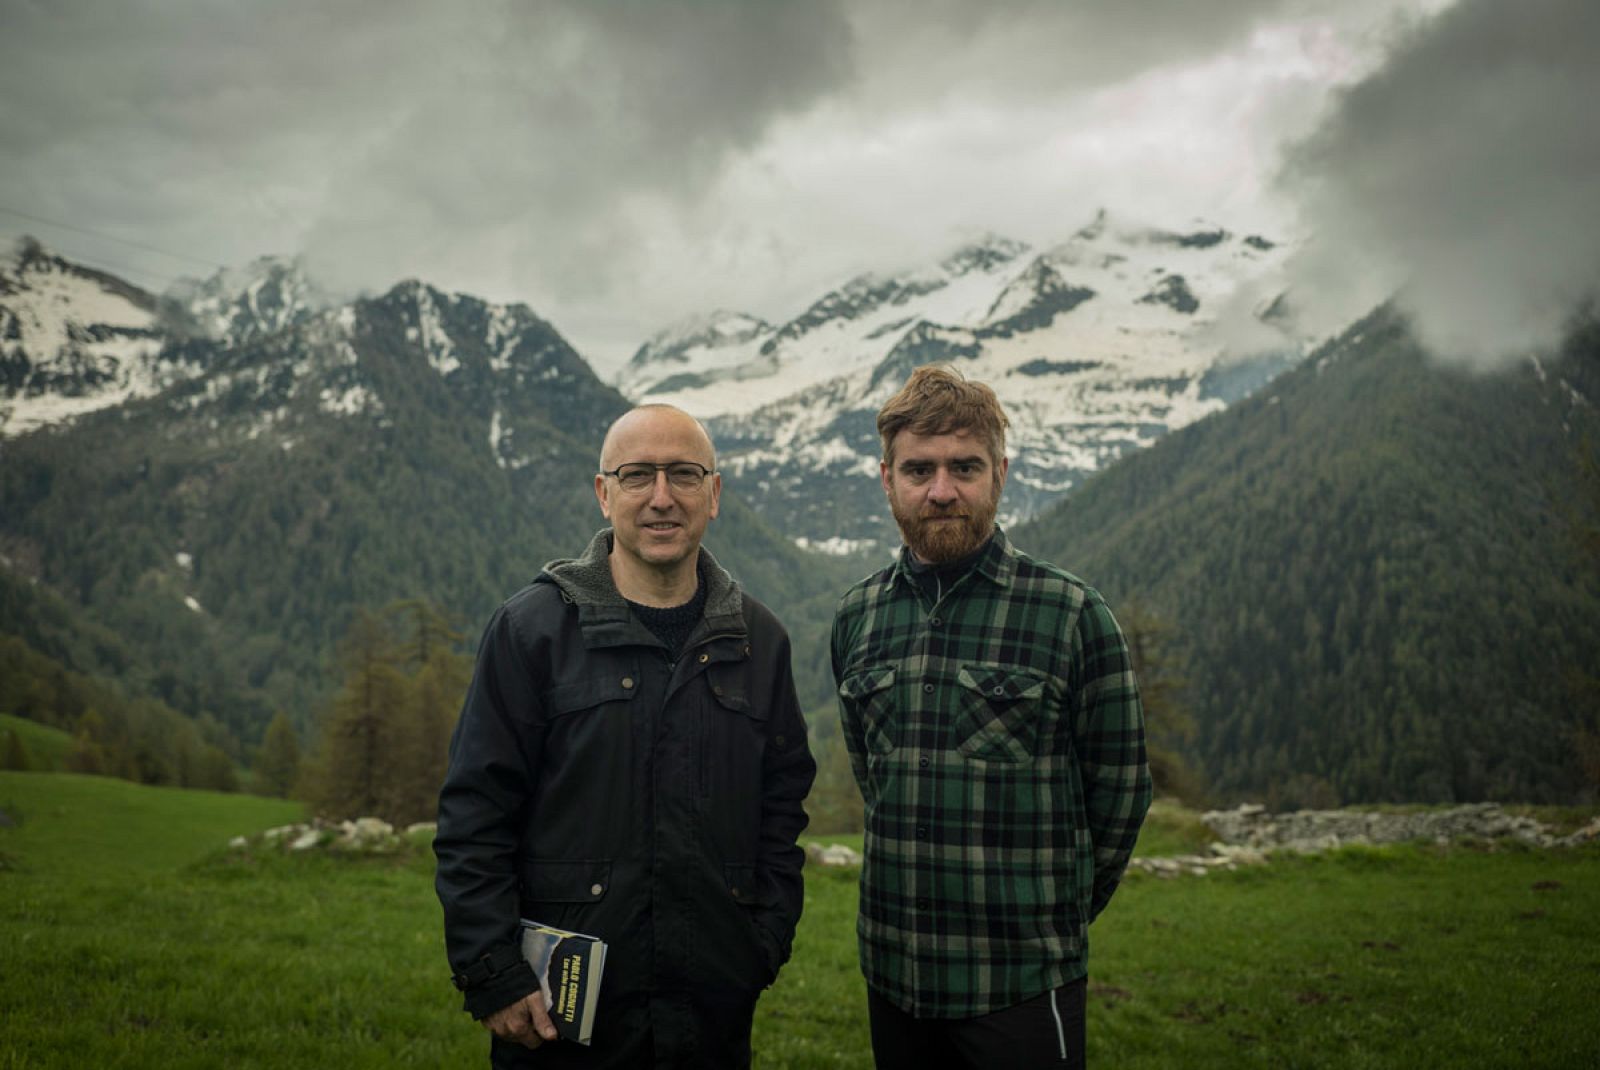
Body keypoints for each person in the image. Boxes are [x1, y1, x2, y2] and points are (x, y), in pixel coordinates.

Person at [435, 404, 817, 1069]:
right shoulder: (533, 633)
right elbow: (475, 816)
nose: (662, 497)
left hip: (710, 1020)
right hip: (558, 1026)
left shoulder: (761, 642)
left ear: (715, 494)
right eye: (638, 475)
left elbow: (781, 814)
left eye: (684, 474)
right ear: (603, 493)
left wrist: (761, 945)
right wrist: (494, 973)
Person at [831, 365, 1152, 1068]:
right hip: (893, 975)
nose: (941, 490)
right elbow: (873, 775)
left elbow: (1121, 792)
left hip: (1019, 983)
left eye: (964, 467)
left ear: (999, 473)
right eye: (918, 469)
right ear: (886, 479)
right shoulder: (857, 617)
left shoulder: (1071, 614)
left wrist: (1051, 915)